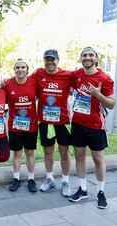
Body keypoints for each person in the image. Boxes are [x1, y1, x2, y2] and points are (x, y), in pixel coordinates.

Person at [68, 47, 115, 209]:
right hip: (78, 123)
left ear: (96, 58)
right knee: (79, 156)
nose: (87, 57)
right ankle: (82, 189)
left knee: (98, 159)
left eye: (90, 55)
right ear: (81, 58)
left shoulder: (105, 78)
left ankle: (101, 192)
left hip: (96, 125)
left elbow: (112, 104)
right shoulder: (77, 74)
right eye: (84, 55)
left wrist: (98, 95)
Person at [33, 49, 75, 197]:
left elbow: (83, 83)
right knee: (48, 151)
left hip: (62, 121)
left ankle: (65, 181)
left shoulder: (68, 75)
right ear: (44, 61)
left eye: (52, 60)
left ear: (58, 60)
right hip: (44, 121)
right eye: (47, 60)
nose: (50, 62)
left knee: (64, 152)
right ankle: (49, 178)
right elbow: (23, 81)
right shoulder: (39, 73)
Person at [3, 59, 38, 193]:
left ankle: (31, 179)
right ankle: (16, 179)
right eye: (17, 67)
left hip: (31, 125)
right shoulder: (8, 83)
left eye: (23, 67)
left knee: (30, 153)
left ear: (27, 69)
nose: (20, 69)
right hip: (14, 126)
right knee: (17, 154)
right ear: (14, 70)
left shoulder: (34, 82)